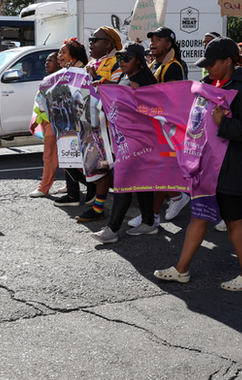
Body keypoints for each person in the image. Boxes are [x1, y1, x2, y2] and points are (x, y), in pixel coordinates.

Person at [153, 37, 242, 290]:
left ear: (228, 62)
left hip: (233, 169)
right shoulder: (205, 85)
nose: (207, 69)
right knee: (199, 216)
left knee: (235, 221)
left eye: (212, 64)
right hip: (206, 169)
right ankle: (181, 269)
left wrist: (223, 124)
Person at [90, 41, 159, 243]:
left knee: (124, 181)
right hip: (128, 138)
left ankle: (112, 230)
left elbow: (154, 109)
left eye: (126, 58)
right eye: (119, 58)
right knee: (141, 182)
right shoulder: (128, 78)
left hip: (140, 139)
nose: (122, 62)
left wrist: (137, 97)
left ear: (138, 59)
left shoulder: (145, 80)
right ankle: (148, 222)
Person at [73, 26, 123, 223]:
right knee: (97, 166)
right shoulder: (91, 63)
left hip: (110, 127)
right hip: (90, 124)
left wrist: (95, 78)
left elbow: (119, 90)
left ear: (108, 44)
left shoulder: (116, 62)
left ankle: (99, 208)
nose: (91, 43)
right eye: (91, 39)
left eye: (95, 39)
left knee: (106, 168)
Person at [147, 26, 191, 222]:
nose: (153, 42)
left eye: (158, 40)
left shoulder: (173, 66)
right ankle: (159, 209)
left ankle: (170, 202)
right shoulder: (154, 65)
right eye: (152, 39)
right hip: (153, 126)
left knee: (160, 169)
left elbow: (171, 98)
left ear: (169, 44)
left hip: (166, 127)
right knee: (156, 170)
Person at [51, 38, 90, 207]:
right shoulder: (65, 73)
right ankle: (73, 195)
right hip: (66, 122)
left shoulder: (83, 72)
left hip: (82, 124)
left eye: (63, 53)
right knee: (68, 159)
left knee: (82, 160)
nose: (59, 56)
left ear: (74, 56)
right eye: (59, 53)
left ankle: (94, 186)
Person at [29, 52, 63, 198]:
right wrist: (36, 122)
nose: (46, 63)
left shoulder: (62, 80)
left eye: (50, 60)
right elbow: (40, 104)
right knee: (58, 155)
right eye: (46, 61)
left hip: (57, 123)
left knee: (51, 156)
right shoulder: (47, 80)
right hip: (46, 122)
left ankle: (44, 187)